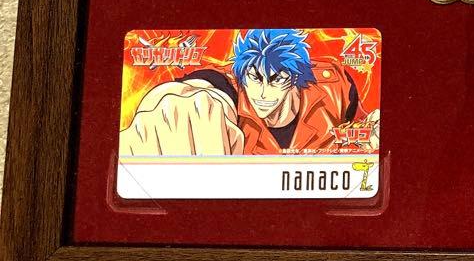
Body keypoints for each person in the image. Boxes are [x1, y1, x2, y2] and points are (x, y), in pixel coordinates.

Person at [119, 28, 378, 155]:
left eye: (276, 80)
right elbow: (195, 92)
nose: (262, 93)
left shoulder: (335, 85)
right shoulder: (229, 89)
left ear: (294, 79)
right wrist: (174, 115)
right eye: (254, 78)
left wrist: (373, 131)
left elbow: (361, 126)